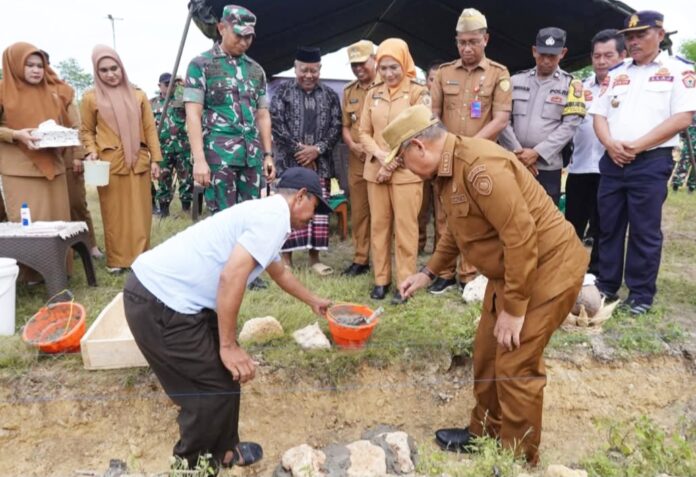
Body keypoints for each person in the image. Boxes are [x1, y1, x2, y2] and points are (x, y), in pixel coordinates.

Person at [385, 104, 587, 465]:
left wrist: (514, 309)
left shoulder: (480, 166)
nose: (404, 168)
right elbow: (458, 230)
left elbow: (521, 236)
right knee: (487, 353)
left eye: (402, 160)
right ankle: (485, 432)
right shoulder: (447, 170)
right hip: (513, 269)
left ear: (418, 146)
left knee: (516, 363)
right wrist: (428, 273)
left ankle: (516, 458)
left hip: (548, 266)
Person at [124, 167, 332, 471]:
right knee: (206, 391)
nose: (313, 217)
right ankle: (190, 468)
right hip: (159, 300)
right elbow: (231, 276)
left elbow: (279, 271)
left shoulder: (269, 214)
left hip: (174, 300)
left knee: (225, 375)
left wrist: (313, 301)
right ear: (301, 196)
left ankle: (224, 451)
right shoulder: (273, 217)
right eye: (315, 207)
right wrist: (228, 344)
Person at [589, 10, 696, 315]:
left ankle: (640, 294)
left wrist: (636, 146)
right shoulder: (616, 73)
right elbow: (599, 115)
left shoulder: (679, 70)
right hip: (613, 160)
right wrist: (610, 144)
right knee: (608, 226)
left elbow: (682, 118)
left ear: (660, 35)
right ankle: (607, 284)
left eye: (641, 35)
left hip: (650, 161)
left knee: (644, 230)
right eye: (630, 37)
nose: (634, 42)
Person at [428, 7, 513, 294]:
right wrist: (446, 147)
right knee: (445, 213)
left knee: (476, 214)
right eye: (462, 42)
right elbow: (433, 115)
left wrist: (468, 147)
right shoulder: (444, 73)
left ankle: (470, 273)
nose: (467, 48)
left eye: (473, 42)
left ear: (485, 39)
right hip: (446, 156)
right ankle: (444, 272)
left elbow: (500, 119)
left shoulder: (499, 74)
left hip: (480, 157)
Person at [358, 38, 430, 304]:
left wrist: (392, 163)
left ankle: (404, 283)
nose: (388, 74)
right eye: (383, 68)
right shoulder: (373, 93)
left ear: (404, 64)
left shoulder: (417, 92)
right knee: (379, 226)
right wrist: (380, 156)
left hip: (407, 172)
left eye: (394, 67)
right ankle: (381, 280)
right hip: (375, 170)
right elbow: (363, 132)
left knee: (406, 229)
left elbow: (418, 130)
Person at [184, 5, 275, 214]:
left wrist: (268, 155)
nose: (244, 42)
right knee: (223, 221)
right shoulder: (201, 65)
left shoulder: (256, 70)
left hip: (251, 159)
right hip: (219, 159)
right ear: (221, 28)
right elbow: (193, 114)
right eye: (238, 35)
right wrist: (199, 160)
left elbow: (262, 115)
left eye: (249, 37)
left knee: (250, 218)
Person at [80, 45, 162, 274]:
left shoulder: (139, 95)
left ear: (121, 67)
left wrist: (156, 160)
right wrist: (91, 150)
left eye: (114, 68)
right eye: (103, 70)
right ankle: (117, 260)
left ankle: (141, 259)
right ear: (97, 72)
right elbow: (86, 130)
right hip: (110, 163)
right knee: (114, 214)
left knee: (140, 213)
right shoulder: (90, 98)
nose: (110, 74)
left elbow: (150, 129)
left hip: (138, 162)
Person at [0, 42, 72, 281]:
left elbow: (63, 126)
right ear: (14, 65)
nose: (36, 70)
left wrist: (62, 138)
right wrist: (15, 134)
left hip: (54, 166)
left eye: (40, 66)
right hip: (20, 170)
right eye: (29, 65)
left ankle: (59, 271)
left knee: (57, 223)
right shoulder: (2, 91)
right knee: (29, 225)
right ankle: (31, 274)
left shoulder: (51, 94)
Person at [270, 46, 342, 274]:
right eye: (304, 70)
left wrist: (317, 150)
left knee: (316, 211)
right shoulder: (282, 92)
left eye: (313, 70)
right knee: (288, 209)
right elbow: (276, 125)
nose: (309, 75)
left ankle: (314, 258)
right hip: (289, 164)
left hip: (320, 164)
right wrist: (300, 151)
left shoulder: (330, 95)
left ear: (320, 69)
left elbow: (336, 127)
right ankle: (286, 258)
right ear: (295, 68)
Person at [499, 27, 585, 204]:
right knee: (510, 212)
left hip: (547, 167)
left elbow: (569, 126)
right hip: (513, 161)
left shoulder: (571, 85)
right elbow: (502, 120)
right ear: (534, 51)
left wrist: (537, 153)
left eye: (552, 56)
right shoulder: (515, 81)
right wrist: (519, 153)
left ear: (563, 53)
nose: (546, 60)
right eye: (542, 54)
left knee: (545, 217)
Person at [565, 30, 626, 276]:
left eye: (608, 55)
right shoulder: (580, 87)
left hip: (612, 168)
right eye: (596, 56)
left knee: (605, 226)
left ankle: (598, 273)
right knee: (572, 224)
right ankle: (567, 270)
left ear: (622, 55)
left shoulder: (629, 87)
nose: (601, 61)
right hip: (580, 167)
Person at [341, 40, 378, 277]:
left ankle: (382, 258)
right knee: (359, 211)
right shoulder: (349, 91)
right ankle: (361, 258)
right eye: (354, 65)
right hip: (357, 160)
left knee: (382, 212)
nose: (358, 69)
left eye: (362, 63)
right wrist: (353, 146)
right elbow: (345, 126)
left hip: (380, 159)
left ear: (374, 59)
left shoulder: (387, 85)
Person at [151, 73, 192, 217]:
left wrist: (183, 83)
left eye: (173, 83)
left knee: (186, 179)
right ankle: (164, 212)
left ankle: (186, 210)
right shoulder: (152, 103)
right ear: (159, 86)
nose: (171, 86)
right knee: (163, 180)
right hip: (163, 149)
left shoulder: (182, 100)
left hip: (182, 147)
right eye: (167, 84)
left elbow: (194, 99)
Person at [417, 59, 444, 255]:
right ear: (426, 80)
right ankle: (418, 245)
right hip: (420, 161)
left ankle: (440, 251)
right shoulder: (418, 100)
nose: (434, 84)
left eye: (438, 80)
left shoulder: (450, 100)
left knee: (442, 210)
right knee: (420, 207)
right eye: (431, 79)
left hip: (441, 160)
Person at [671, 116, 696, 192]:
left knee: (694, 169)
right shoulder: (692, 116)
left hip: (689, 144)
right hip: (689, 146)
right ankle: (676, 184)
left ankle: (691, 187)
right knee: (683, 165)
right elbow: (683, 131)